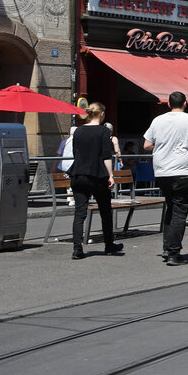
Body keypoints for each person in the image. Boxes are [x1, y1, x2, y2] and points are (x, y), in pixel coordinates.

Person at [143, 91, 188, 266]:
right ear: (185, 103)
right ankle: (173, 253)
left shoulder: (158, 120)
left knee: (171, 208)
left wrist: (163, 142)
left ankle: (167, 247)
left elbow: (147, 144)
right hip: (182, 171)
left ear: (168, 104)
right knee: (179, 212)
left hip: (162, 172)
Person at [68, 102, 124, 259]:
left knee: (80, 213)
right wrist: (111, 175)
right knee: (105, 211)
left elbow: (75, 153)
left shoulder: (78, 131)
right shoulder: (103, 131)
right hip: (97, 176)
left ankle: (77, 249)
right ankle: (109, 245)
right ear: (101, 114)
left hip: (78, 174)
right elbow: (106, 156)